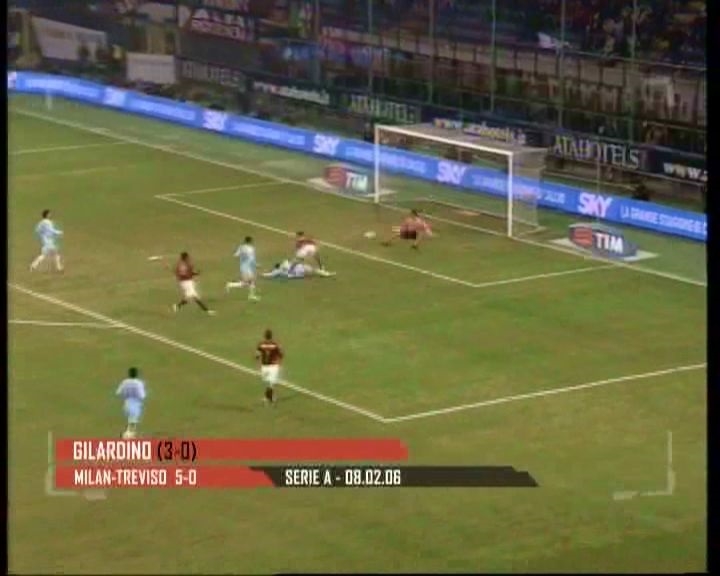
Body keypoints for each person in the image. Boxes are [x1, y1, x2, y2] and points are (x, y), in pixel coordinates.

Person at [116, 367, 147, 439]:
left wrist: (124, 396)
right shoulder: (139, 383)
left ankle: (129, 436)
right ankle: (125, 436)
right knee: (132, 423)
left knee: (131, 422)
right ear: (136, 374)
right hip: (135, 404)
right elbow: (142, 396)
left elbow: (118, 392)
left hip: (126, 404)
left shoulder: (125, 382)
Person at [226, 236, 260, 301]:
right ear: (250, 241)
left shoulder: (241, 247)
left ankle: (251, 296)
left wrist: (241, 256)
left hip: (243, 267)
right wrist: (256, 265)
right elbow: (252, 259)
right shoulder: (251, 249)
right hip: (247, 268)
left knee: (251, 282)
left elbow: (235, 255)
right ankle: (229, 285)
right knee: (246, 283)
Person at [256, 329, 283, 404]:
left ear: (265, 336)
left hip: (264, 366)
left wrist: (258, 362)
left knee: (268, 382)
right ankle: (270, 397)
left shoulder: (261, 344)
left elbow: (257, 355)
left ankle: (268, 397)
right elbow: (281, 354)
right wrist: (279, 360)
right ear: (271, 336)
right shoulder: (275, 344)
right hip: (273, 366)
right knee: (271, 383)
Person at [263, 260, 335, 279]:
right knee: (313, 270)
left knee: (313, 270)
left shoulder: (279, 270)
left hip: (298, 271)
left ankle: (323, 272)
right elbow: (271, 274)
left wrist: (264, 274)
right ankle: (325, 273)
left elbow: (271, 274)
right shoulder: (283, 266)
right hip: (299, 270)